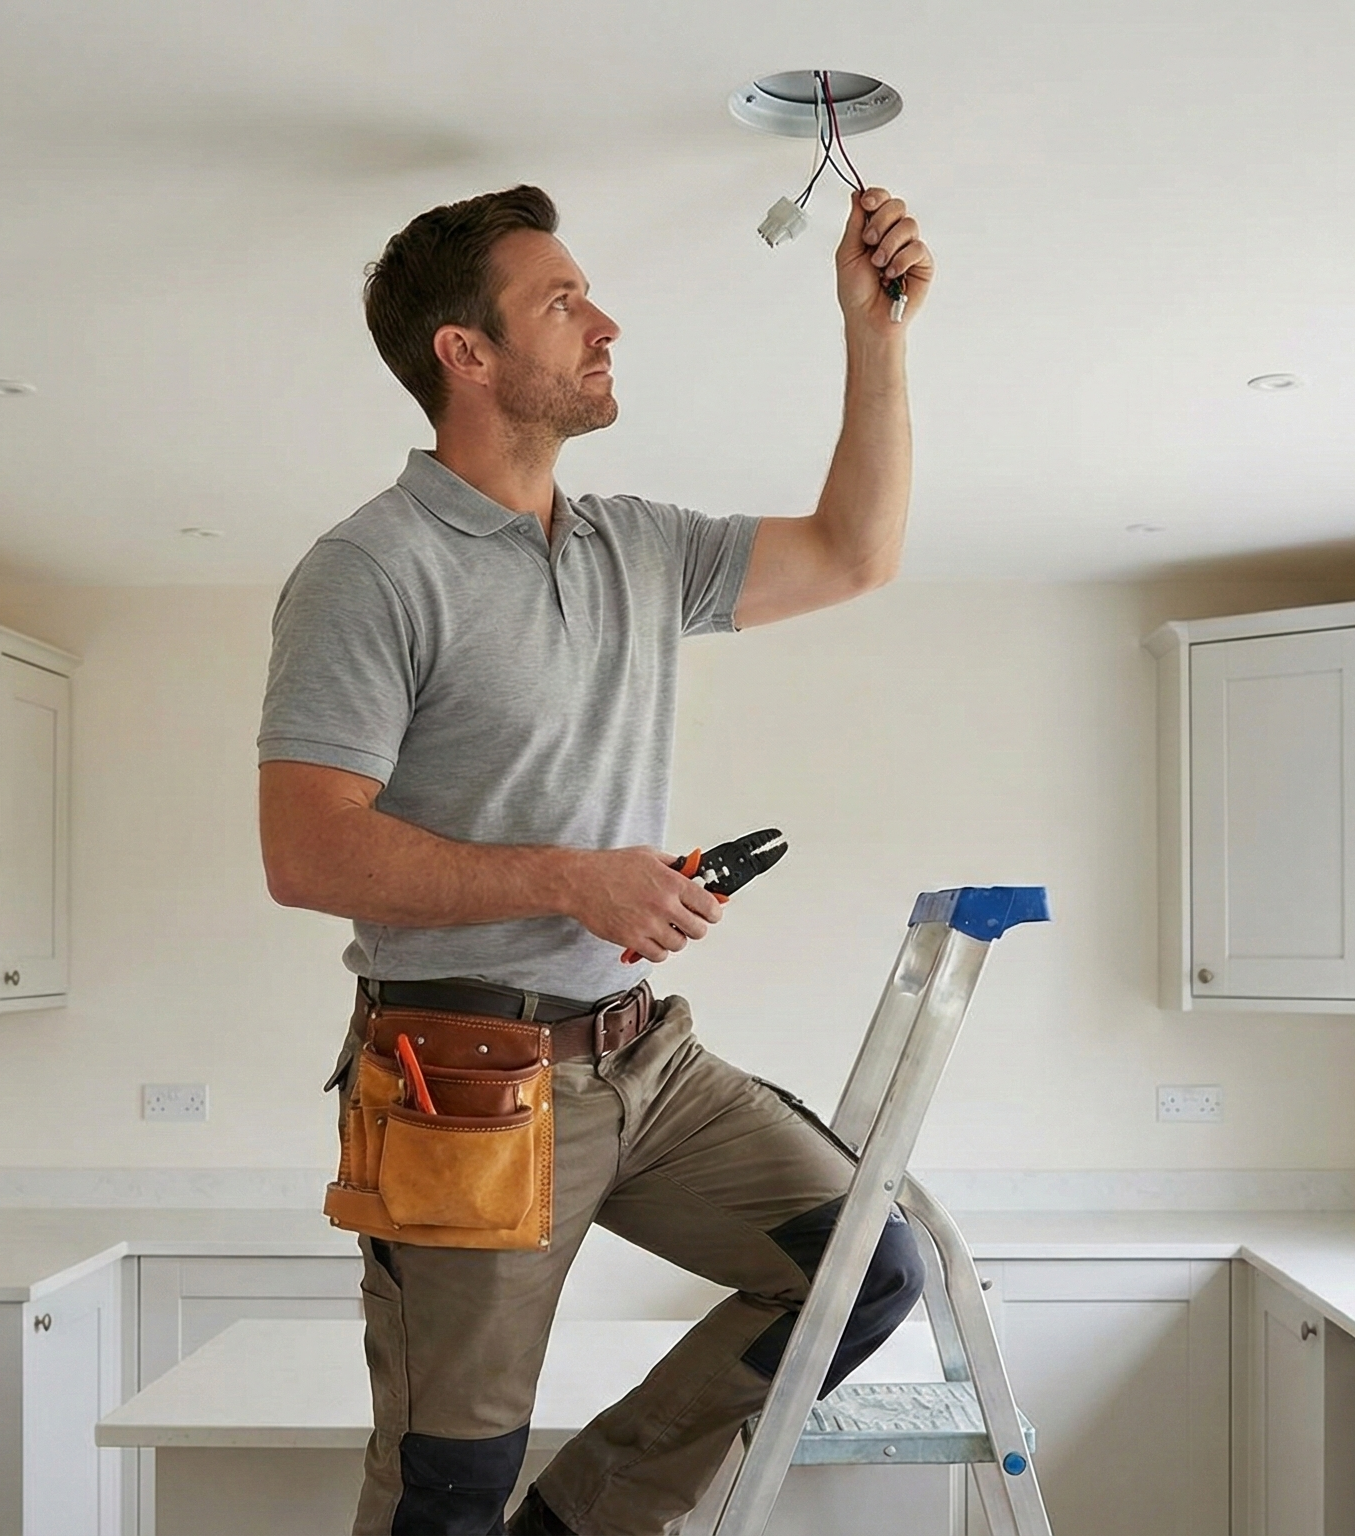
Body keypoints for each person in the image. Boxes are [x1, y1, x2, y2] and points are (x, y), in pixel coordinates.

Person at [257, 180, 936, 1536]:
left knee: (863, 1271)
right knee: (447, 1486)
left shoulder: (637, 547)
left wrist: (875, 334)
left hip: (646, 1061)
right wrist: (574, 878)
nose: (606, 322)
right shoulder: (371, 568)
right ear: (466, 352)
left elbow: (856, 554)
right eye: (562, 302)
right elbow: (305, 850)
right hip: (461, 1084)